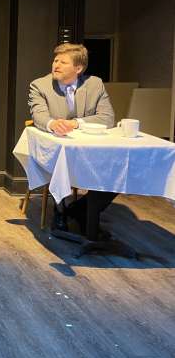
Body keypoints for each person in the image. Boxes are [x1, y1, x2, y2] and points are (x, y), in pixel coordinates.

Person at [28, 43, 116, 234]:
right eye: (55, 60)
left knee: (118, 165)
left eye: (63, 62)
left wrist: (75, 123)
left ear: (78, 68)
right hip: (60, 145)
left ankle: (81, 211)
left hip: (90, 146)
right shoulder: (40, 85)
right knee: (56, 159)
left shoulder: (95, 84)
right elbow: (39, 115)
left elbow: (107, 118)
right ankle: (60, 211)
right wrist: (53, 124)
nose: (56, 65)